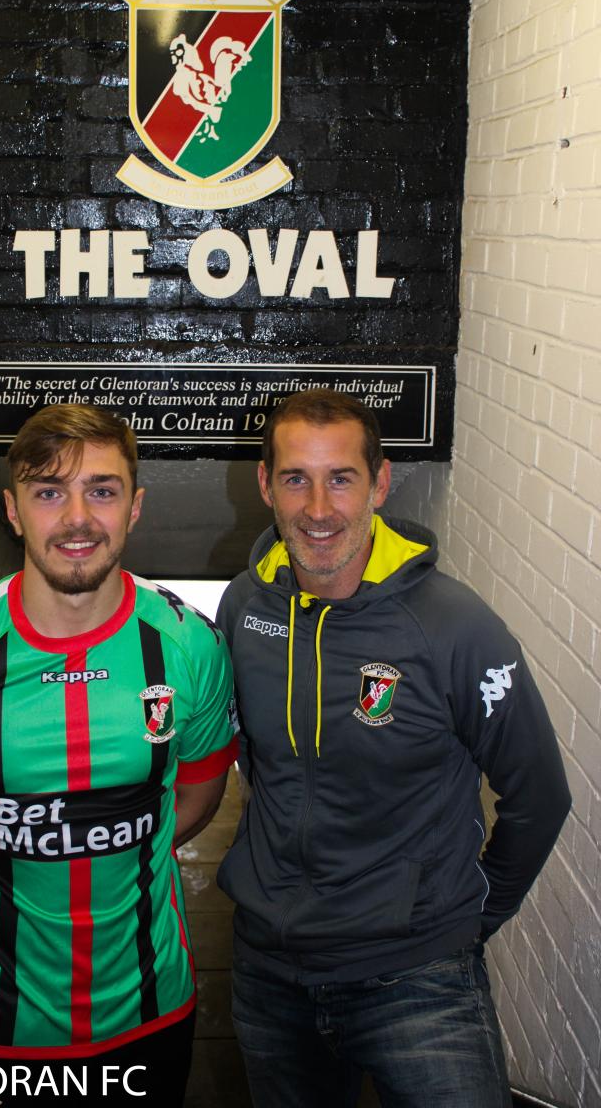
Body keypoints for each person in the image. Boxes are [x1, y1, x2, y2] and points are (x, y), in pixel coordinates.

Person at [0, 403, 237, 1108]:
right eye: (48, 492)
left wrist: (111, 858)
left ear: (134, 507)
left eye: (101, 490)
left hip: (151, 1014)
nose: (76, 518)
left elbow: (200, 792)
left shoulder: (191, 644)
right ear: (12, 510)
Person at [215, 389, 571, 1108]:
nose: (318, 509)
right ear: (266, 485)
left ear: (380, 484)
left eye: (342, 478)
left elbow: (539, 795)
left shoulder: (455, 627)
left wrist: (467, 920)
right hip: (270, 974)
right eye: (296, 478)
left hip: (418, 981)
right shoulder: (244, 609)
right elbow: (254, 757)